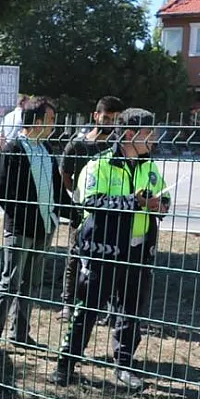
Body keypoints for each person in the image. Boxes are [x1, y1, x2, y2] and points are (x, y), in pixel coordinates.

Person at [51, 108, 169, 389]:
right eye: (148, 133)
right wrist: (134, 202)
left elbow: (162, 194)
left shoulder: (148, 165)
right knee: (88, 309)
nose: (153, 138)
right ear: (130, 134)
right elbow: (91, 202)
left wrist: (161, 204)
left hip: (138, 251)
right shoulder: (99, 165)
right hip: (102, 249)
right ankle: (66, 363)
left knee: (131, 311)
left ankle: (124, 365)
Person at [0, 98, 75, 350]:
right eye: (51, 119)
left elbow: (57, 192)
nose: (54, 124)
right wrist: (25, 219)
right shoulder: (14, 149)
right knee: (10, 281)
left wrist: (75, 213)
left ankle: (20, 334)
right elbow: (3, 192)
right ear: (36, 121)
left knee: (30, 283)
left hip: (45, 228)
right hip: (21, 230)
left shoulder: (45, 150)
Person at [57, 96, 126, 321]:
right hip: (82, 212)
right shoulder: (77, 144)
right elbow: (65, 175)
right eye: (106, 117)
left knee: (109, 258)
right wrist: (77, 195)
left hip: (111, 211)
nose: (109, 123)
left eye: (114, 119)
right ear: (96, 116)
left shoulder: (120, 146)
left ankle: (104, 306)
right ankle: (68, 303)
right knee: (75, 256)